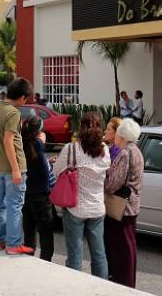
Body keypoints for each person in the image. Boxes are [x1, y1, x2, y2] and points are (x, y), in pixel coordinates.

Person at [53, 112, 110, 279]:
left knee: (75, 256)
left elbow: (56, 173)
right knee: (99, 255)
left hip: (74, 207)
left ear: (81, 127)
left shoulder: (71, 149)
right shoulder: (104, 150)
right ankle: (101, 288)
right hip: (97, 208)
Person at [0, 77, 33, 254]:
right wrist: (16, 169)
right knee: (15, 205)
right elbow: (8, 140)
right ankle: (13, 244)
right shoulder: (13, 113)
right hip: (13, 167)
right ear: (22, 97)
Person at [104, 119, 144, 288]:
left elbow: (114, 183)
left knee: (121, 247)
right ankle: (128, 281)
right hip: (132, 204)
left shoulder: (125, 153)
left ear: (122, 136)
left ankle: (123, 282)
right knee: (130, 245)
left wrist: (105, 178)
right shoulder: (137, 150)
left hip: (121, 207)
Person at [21, 116, 55, 261]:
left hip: (25, 193)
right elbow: (44, 172)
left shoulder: (22, 144)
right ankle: (46, 260)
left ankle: (29, 256)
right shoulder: (38, 144)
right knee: (46, 232)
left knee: (29, 229)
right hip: (41, 195)